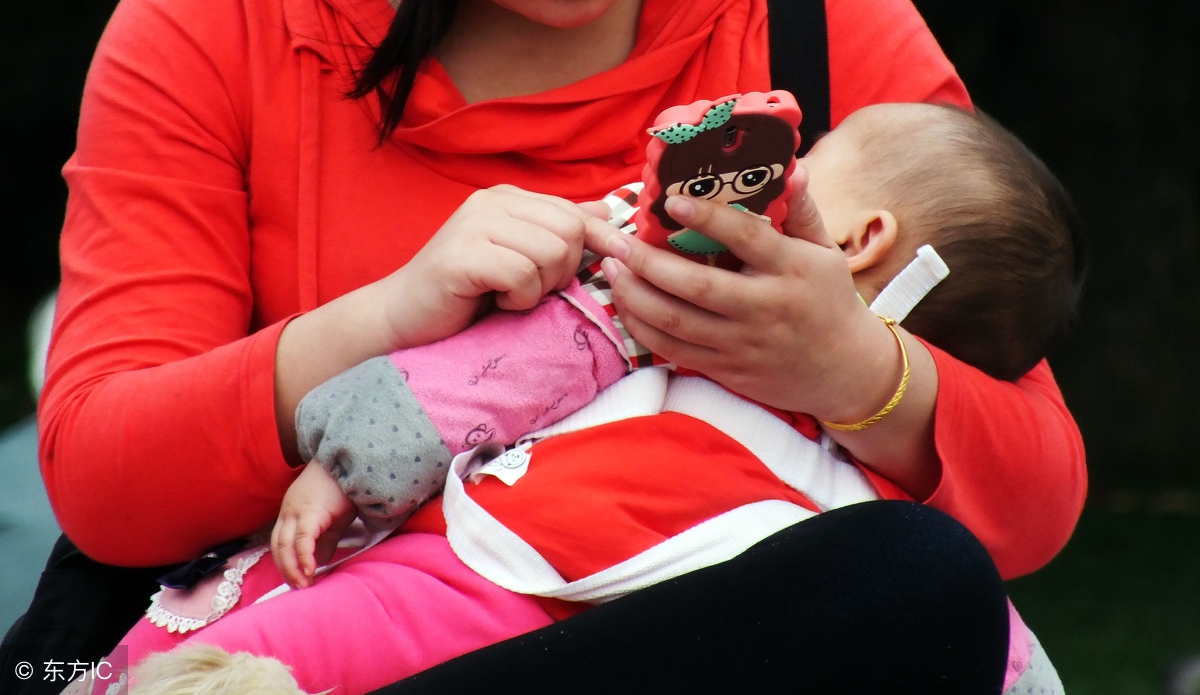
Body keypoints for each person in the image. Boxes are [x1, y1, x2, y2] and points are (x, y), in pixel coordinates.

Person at [25, 0, 1085, 691]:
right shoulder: (222, 6)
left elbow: (1036, 490)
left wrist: (849, 367)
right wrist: (389, 315)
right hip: (326, 635)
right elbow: (106, 483)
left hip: (663, 635)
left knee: (914, 578)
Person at [77, 100, 1080, 695]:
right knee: (261, 641)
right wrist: (352, 452)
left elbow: (503, 371)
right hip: (492, 579)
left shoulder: (849, 472)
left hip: (497, 591)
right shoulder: (646, 308)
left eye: (803, 167)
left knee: (285, 647)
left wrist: (863, 378)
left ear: (858, 239)